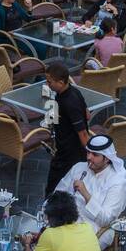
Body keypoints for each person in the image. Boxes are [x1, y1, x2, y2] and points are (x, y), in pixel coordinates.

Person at [53, 133, 126, 249]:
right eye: (88, 152)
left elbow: (105, 220)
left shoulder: (117, 181)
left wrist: (86, 194)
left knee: (63, 248)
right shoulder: (79, 167)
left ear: (107, 158)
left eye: (95, 155)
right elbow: (58, 192)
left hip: (95, 228)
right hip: (67, 218)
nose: (89, 157)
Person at [43, 62, 91, 193]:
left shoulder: (69, 103)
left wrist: (90, 155)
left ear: (61, 82)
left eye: (50, 82)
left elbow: (83, 134)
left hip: (68, 153)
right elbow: (87, 115)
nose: (48, 84)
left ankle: (48, 208)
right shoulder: (75, 91)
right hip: (68, 149)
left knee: (53, 185)